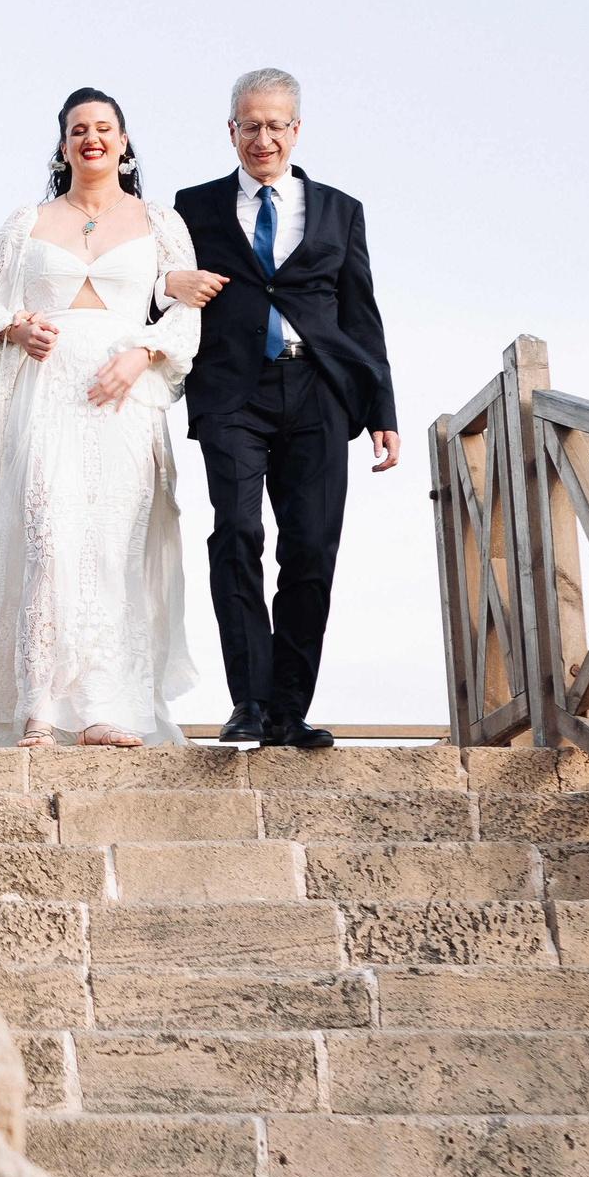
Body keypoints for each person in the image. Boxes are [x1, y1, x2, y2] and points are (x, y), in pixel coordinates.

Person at [0, 88, 224, 748]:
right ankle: (40, 705)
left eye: (104, 128)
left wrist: (144, 352)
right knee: (48, 535)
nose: (91, 138)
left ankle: (106, 707)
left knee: (110, 544)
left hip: (123, 397)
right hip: (45, 394)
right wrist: (16, 327)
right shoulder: (28, 221)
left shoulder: (159, 221)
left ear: (124, 143)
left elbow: (186, 309)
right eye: (78, 129)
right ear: (64, 144)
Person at [171, 68, 399, 751]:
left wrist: (382, 408)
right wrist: (170, 284)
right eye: (250, 125)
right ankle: (248, 699)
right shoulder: (192, 207)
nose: (262, 138)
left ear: (296, 129)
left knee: (310, 548)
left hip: (318, 392)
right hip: (231, 393)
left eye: (275, 125)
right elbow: (161, 290)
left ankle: (288, 711)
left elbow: (361, 313)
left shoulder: (339, 210)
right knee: (237, 533)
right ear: (231, 130)